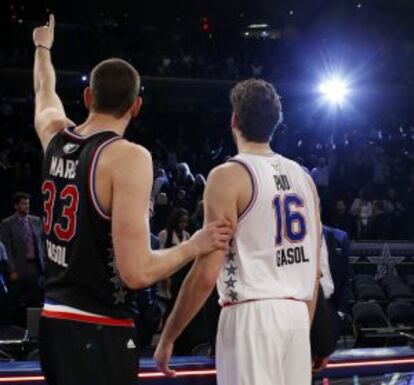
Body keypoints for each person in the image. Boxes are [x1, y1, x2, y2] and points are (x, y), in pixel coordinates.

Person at [32, 15, 232, 385]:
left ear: (88, 97)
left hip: (54, 323)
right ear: (136, 106)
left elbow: (45, 92)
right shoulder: (128, 156)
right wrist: (196, 244)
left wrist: (42, 47)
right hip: (98, 327)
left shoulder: (54, 135)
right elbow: (137, 272)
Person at [155, 79, 321, 385]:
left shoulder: (227, 176)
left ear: (234, 119)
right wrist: (302, 330)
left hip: (251, 316)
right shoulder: (305, 179)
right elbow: (314, 273)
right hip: (297, 314)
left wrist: (168, 336)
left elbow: (206, 274)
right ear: (275, 123)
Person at [0, 192, 45, 313]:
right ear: (16, 206)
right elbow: (7, 249)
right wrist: (12, 270)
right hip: (18, 267)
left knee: (35, 299)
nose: (27, 206)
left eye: (28, 203)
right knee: (16, 301)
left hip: (35, 266)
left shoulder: (36, 221)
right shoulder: (7, 224)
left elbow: (41, 244)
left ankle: (34, 327)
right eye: (24, 204)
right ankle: (16, 327)